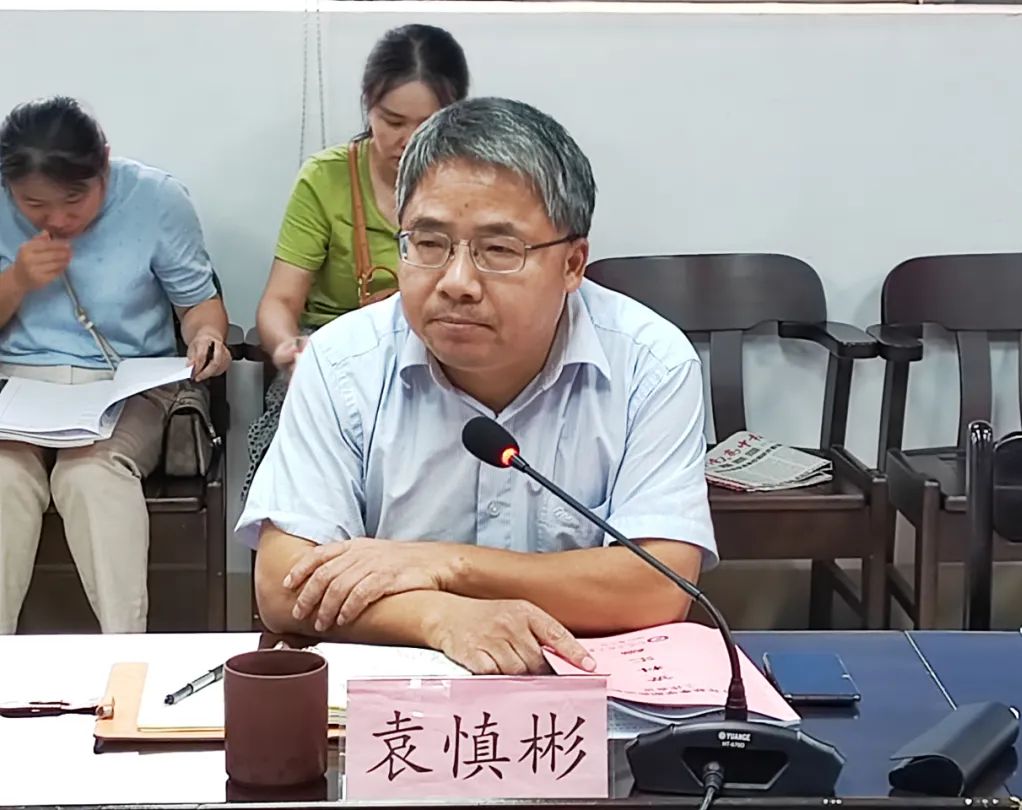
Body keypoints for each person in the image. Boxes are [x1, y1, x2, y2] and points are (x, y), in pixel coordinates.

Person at [238, 97, 717, 675]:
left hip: (581, 699)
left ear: (572, 264)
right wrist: (439, 617)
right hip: (401, 697)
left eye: (498, 250)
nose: (457, 282)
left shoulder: (650, 363)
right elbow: (283, 585)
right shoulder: (343, 360)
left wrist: (444, 565)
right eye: (429, 244)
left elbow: (658, 585)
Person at [0, 96, 231, 634]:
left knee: (91, 474)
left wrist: (207, 337)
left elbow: (199, 304)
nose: (58, 220)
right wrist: (16, 281)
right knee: (5, 479)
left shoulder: (156, 198)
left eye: (74, 199)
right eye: (33, 204)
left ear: (103, 162)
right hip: (19, 386)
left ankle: (125, 652)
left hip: (125, 384)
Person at [244, 24, 469, 499]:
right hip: (336, 359)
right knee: (295, 477)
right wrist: (290, 348)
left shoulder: (473, 184)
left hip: (440, 359)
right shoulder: (325, 179)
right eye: (392, 121)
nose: (407, 140)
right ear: (368, 104)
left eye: (426, 124)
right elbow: (279, 302)